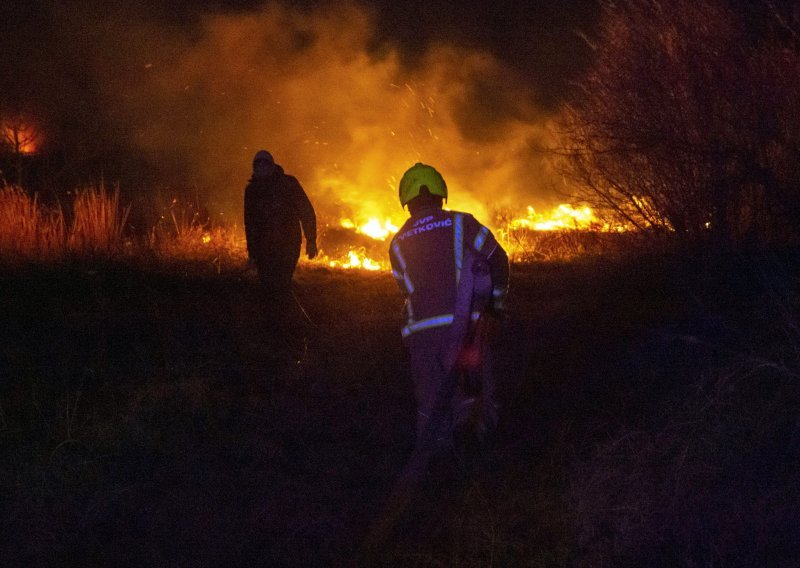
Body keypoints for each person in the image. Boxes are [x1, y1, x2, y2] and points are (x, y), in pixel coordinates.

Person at [388, 162, 509, 463]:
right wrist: (495, 309)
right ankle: (478, 463)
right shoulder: (462, 223)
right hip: (465, 330)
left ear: (407, 201)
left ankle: (436, 469)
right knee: (474, 394)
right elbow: (498, 260)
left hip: (421, 337)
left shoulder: (397, 242)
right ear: (441, 195)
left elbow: (405, 289)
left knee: (431, 400)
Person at [244, 150, 317, 299]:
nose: (262, 167)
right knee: (268, 288)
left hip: (288, 246)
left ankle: (283, 316)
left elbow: (306, 211)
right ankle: (273, 318)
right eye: (258, 164)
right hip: (263, 249)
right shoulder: (252, 191)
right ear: (254, 167)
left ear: (272, 165)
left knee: (282, 285)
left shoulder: (288, 184)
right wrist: (252, 253)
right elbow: (250, 223)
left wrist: (311, 240)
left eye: (265, 164)